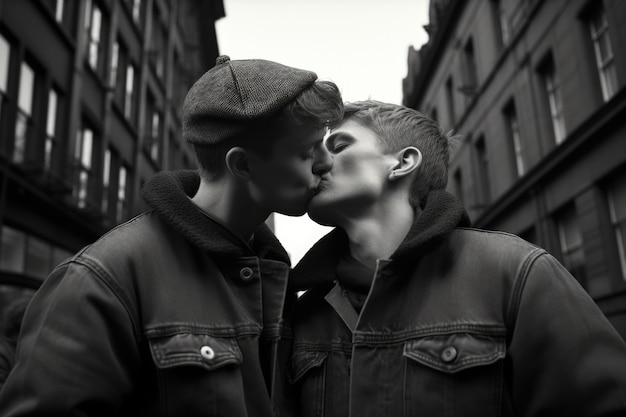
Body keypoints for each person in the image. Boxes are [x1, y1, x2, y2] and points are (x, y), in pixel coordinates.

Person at [0, 55, 343, 416]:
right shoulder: (103, 278)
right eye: (307, 152)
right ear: (242, 164)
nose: (326, 162)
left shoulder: (276, 274)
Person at [288, 100, 626, 416]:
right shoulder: (301, 312)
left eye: (340, 145)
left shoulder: (514, 271)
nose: (318, 162)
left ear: (403, 163)